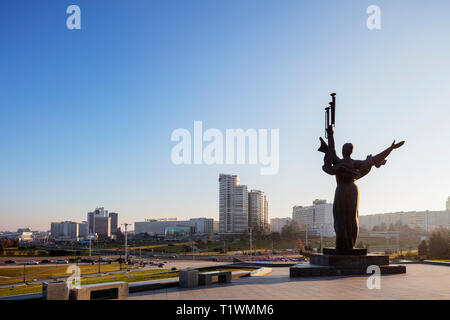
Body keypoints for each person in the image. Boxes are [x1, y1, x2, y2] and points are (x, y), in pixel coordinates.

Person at [319, 126, 404, 251]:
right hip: (353, 190)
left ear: (343, 151)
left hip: (341, 190)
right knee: (352, 216)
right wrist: (390, 148)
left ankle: (342, 245)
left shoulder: (338, 162)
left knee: (340, 217)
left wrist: (331, 134)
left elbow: (331, 150)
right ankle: (350, 244)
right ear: (351, 151)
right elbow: (376, 158)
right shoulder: (355, 163)